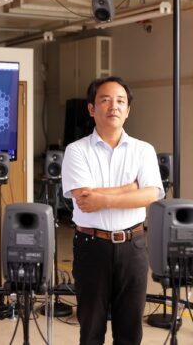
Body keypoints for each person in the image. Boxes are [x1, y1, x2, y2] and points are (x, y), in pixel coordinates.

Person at [61, 76, 164, 345]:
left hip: (134, 247)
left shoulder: (144, 150)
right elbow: (84, 198)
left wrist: (103, 198)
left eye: (120, 101)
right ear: (92, 109)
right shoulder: (76, 151)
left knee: (130, 332)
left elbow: (151, 194)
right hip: (91, 246)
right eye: (105, 100)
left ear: (128, 110)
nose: (113, 106)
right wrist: (130, 189)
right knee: (91, 329)